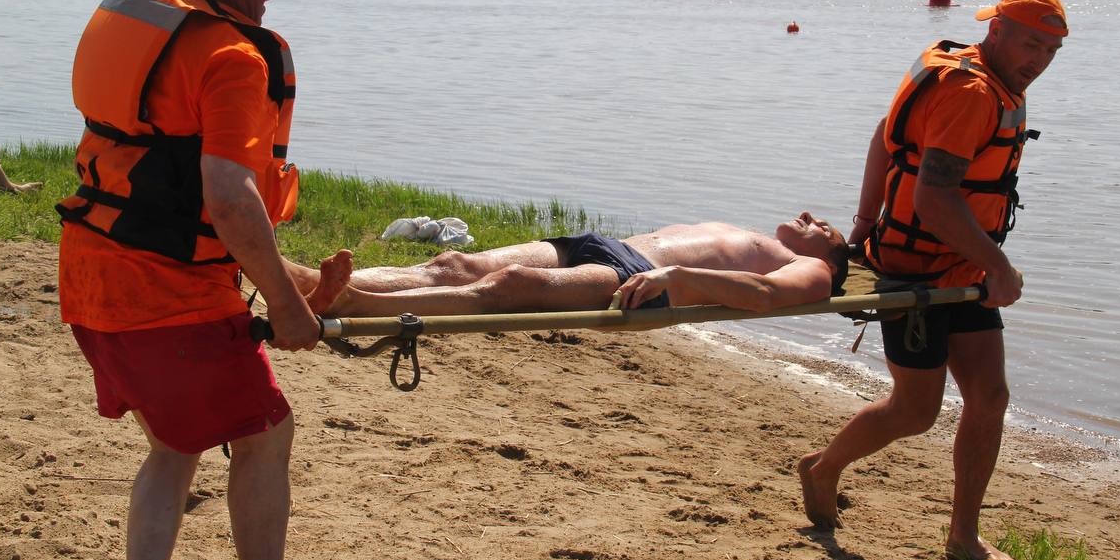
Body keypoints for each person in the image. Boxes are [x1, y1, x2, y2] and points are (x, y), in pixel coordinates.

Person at [56, 0, 337, 560]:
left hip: (89, 276)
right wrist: (287, 306)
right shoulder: (234, 57)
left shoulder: (151, 24)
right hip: (163, 293)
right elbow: (228, 192)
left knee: (173, 446)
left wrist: (289, 279)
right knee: (268, 432)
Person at [798, 0, 1068, 560]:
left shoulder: (987, 79)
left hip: (964, 269)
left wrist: (865, 221)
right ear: (995, 30)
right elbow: (936, 197)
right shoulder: (970, 90)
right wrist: (996, 265)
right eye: (1031, 44)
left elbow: (882, 131)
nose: (1039, 60)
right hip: (917, 272)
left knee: (989, 398)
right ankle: (821, 469)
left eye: (1051, 50)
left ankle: (964, 536)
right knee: (916, 411)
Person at [296, 213, 850, 317]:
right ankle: (307, 283)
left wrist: (674, 278)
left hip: (640, 277)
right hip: (605, 243)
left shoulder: (814, 270)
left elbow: (764, 295)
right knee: (454, 262)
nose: (810, 218)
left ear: (831, 254)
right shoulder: (754, 231)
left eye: (824, 227)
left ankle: (357, 302)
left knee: (511, 285)